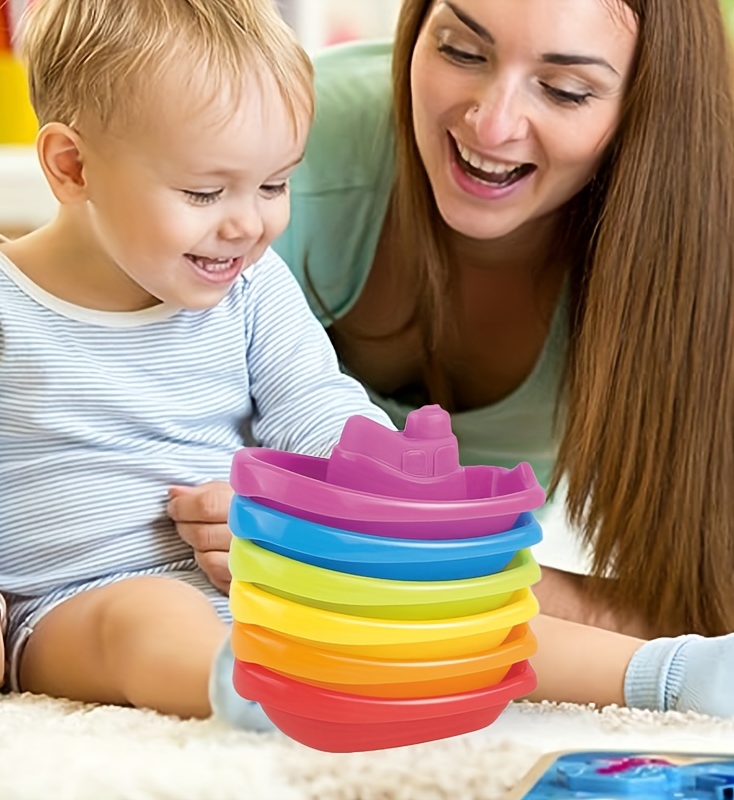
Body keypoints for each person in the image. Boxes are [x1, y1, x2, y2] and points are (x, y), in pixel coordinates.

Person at [173, 0, 734, 718]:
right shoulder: (285, 158)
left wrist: (401, 557)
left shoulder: (699, 250)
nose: (491, 124)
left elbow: (702, 611)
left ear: (649, 108)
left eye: (564, 90)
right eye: (462, 51)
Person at [0, 0, 395, 720]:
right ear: (73, 166)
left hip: (247, 583)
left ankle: (632, 671)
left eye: (274, 184)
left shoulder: (251, 285)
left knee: (441, 604)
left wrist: (388, 489)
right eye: (205, 192)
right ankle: (282, 702)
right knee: (150, 613)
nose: (248, 223)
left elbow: (318, 404)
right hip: (71, 611)